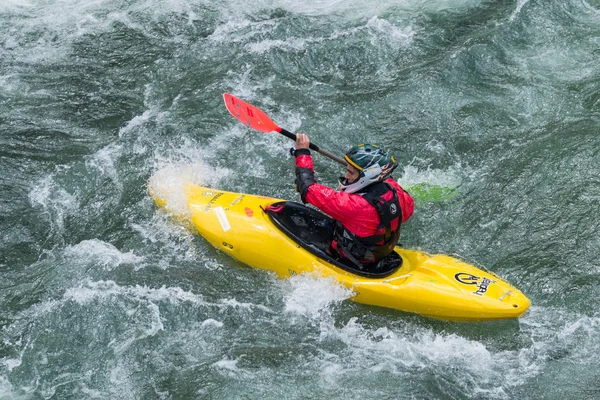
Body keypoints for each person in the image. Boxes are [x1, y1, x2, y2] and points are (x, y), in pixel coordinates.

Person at [292, 133, 414, 270]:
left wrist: (302, 152)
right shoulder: (398, 193)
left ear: (368, 177)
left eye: (351, 172)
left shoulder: (354, 206)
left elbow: (307, 188)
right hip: (379, 253)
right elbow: (404, 207)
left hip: (352, 261)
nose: (346, 176)